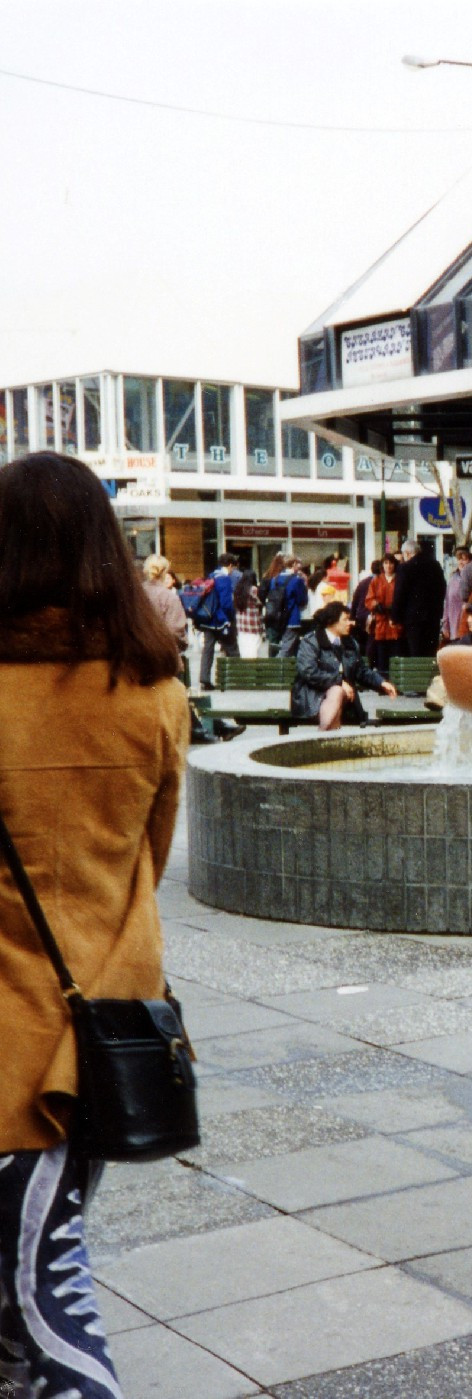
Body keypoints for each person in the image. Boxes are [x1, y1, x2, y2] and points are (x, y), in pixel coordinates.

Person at [0, 451, 187, 1399]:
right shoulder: (154, 697)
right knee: (23, 1283)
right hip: (102, 1034)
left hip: (4, 1046)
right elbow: (149, 861)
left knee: (43, 1301)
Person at [292, 600, 398, 730]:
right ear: (332, 622)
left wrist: (381, 682)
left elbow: (361, 671)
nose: (350, 623)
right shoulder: (312, 641)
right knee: (337, 691)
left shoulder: (350, 643)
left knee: (337, 692)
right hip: (311, 698)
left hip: (345, 698)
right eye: (346, 620)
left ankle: (321, 738)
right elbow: (309, 672)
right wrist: (339, 682)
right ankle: (324, 737)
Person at [391, 538, 448, 657]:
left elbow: (399, 594)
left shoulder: (405, 568)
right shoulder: (435, 565)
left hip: (413, 618)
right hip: (433, 617)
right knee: (430, 652)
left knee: (415, 652)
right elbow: (442, 588)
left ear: (407, 553)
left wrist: (395, 617)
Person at [196, 552, 239, 689]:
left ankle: (204, 679)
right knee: (232, 648)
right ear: (230, 565)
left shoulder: (212, 576)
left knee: (208, 649)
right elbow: (226, 603)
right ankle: (236, 677)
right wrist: (230, 617)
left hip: (208, 618)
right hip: (221, 620)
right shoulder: (225, 579)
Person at [141, 553, 189, 652]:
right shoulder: (169, 597)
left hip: (135, 655)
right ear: (164, 572)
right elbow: (176, 631)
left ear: (145, 571)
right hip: (162, 655)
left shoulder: (134, 593)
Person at [366, 554, 404, 672]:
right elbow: (369, 599)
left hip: (395, 623)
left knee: (396, 655)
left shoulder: (399, 579)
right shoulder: (376, 580)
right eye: (386, 563)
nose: (389, 566)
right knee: (382, 657)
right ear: (382, 565)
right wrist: (376, 605)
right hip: (381, 624)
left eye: (391, 563)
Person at [272, 557, 310, 657]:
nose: (300, 567)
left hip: (277, 617)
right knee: (287, 647)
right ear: (293, 564)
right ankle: (275, 669)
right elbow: (302, 600)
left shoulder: (275, 579)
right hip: (292, 617)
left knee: (288, 646)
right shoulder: (296, 580)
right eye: (298, 564)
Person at [441, 543, 472, 643]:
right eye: (459, 559)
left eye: (464, 559)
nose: (461, 562)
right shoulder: (452, 579)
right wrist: (445, 625)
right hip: (453, 627)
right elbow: (447, 603)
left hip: (468, 626)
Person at [232, 563, 262, 659]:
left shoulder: (238, 589)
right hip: (252, 623)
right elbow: (258, 602)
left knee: (244, 649)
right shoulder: (253, 589)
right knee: (253, 649)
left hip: (241, 624)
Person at [351, 557, 381, 648]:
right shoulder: (380, 582)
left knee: (363, 642)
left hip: (361, 615)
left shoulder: (363, 582)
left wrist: (352, 616)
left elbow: (355, 600)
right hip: (373, 615)